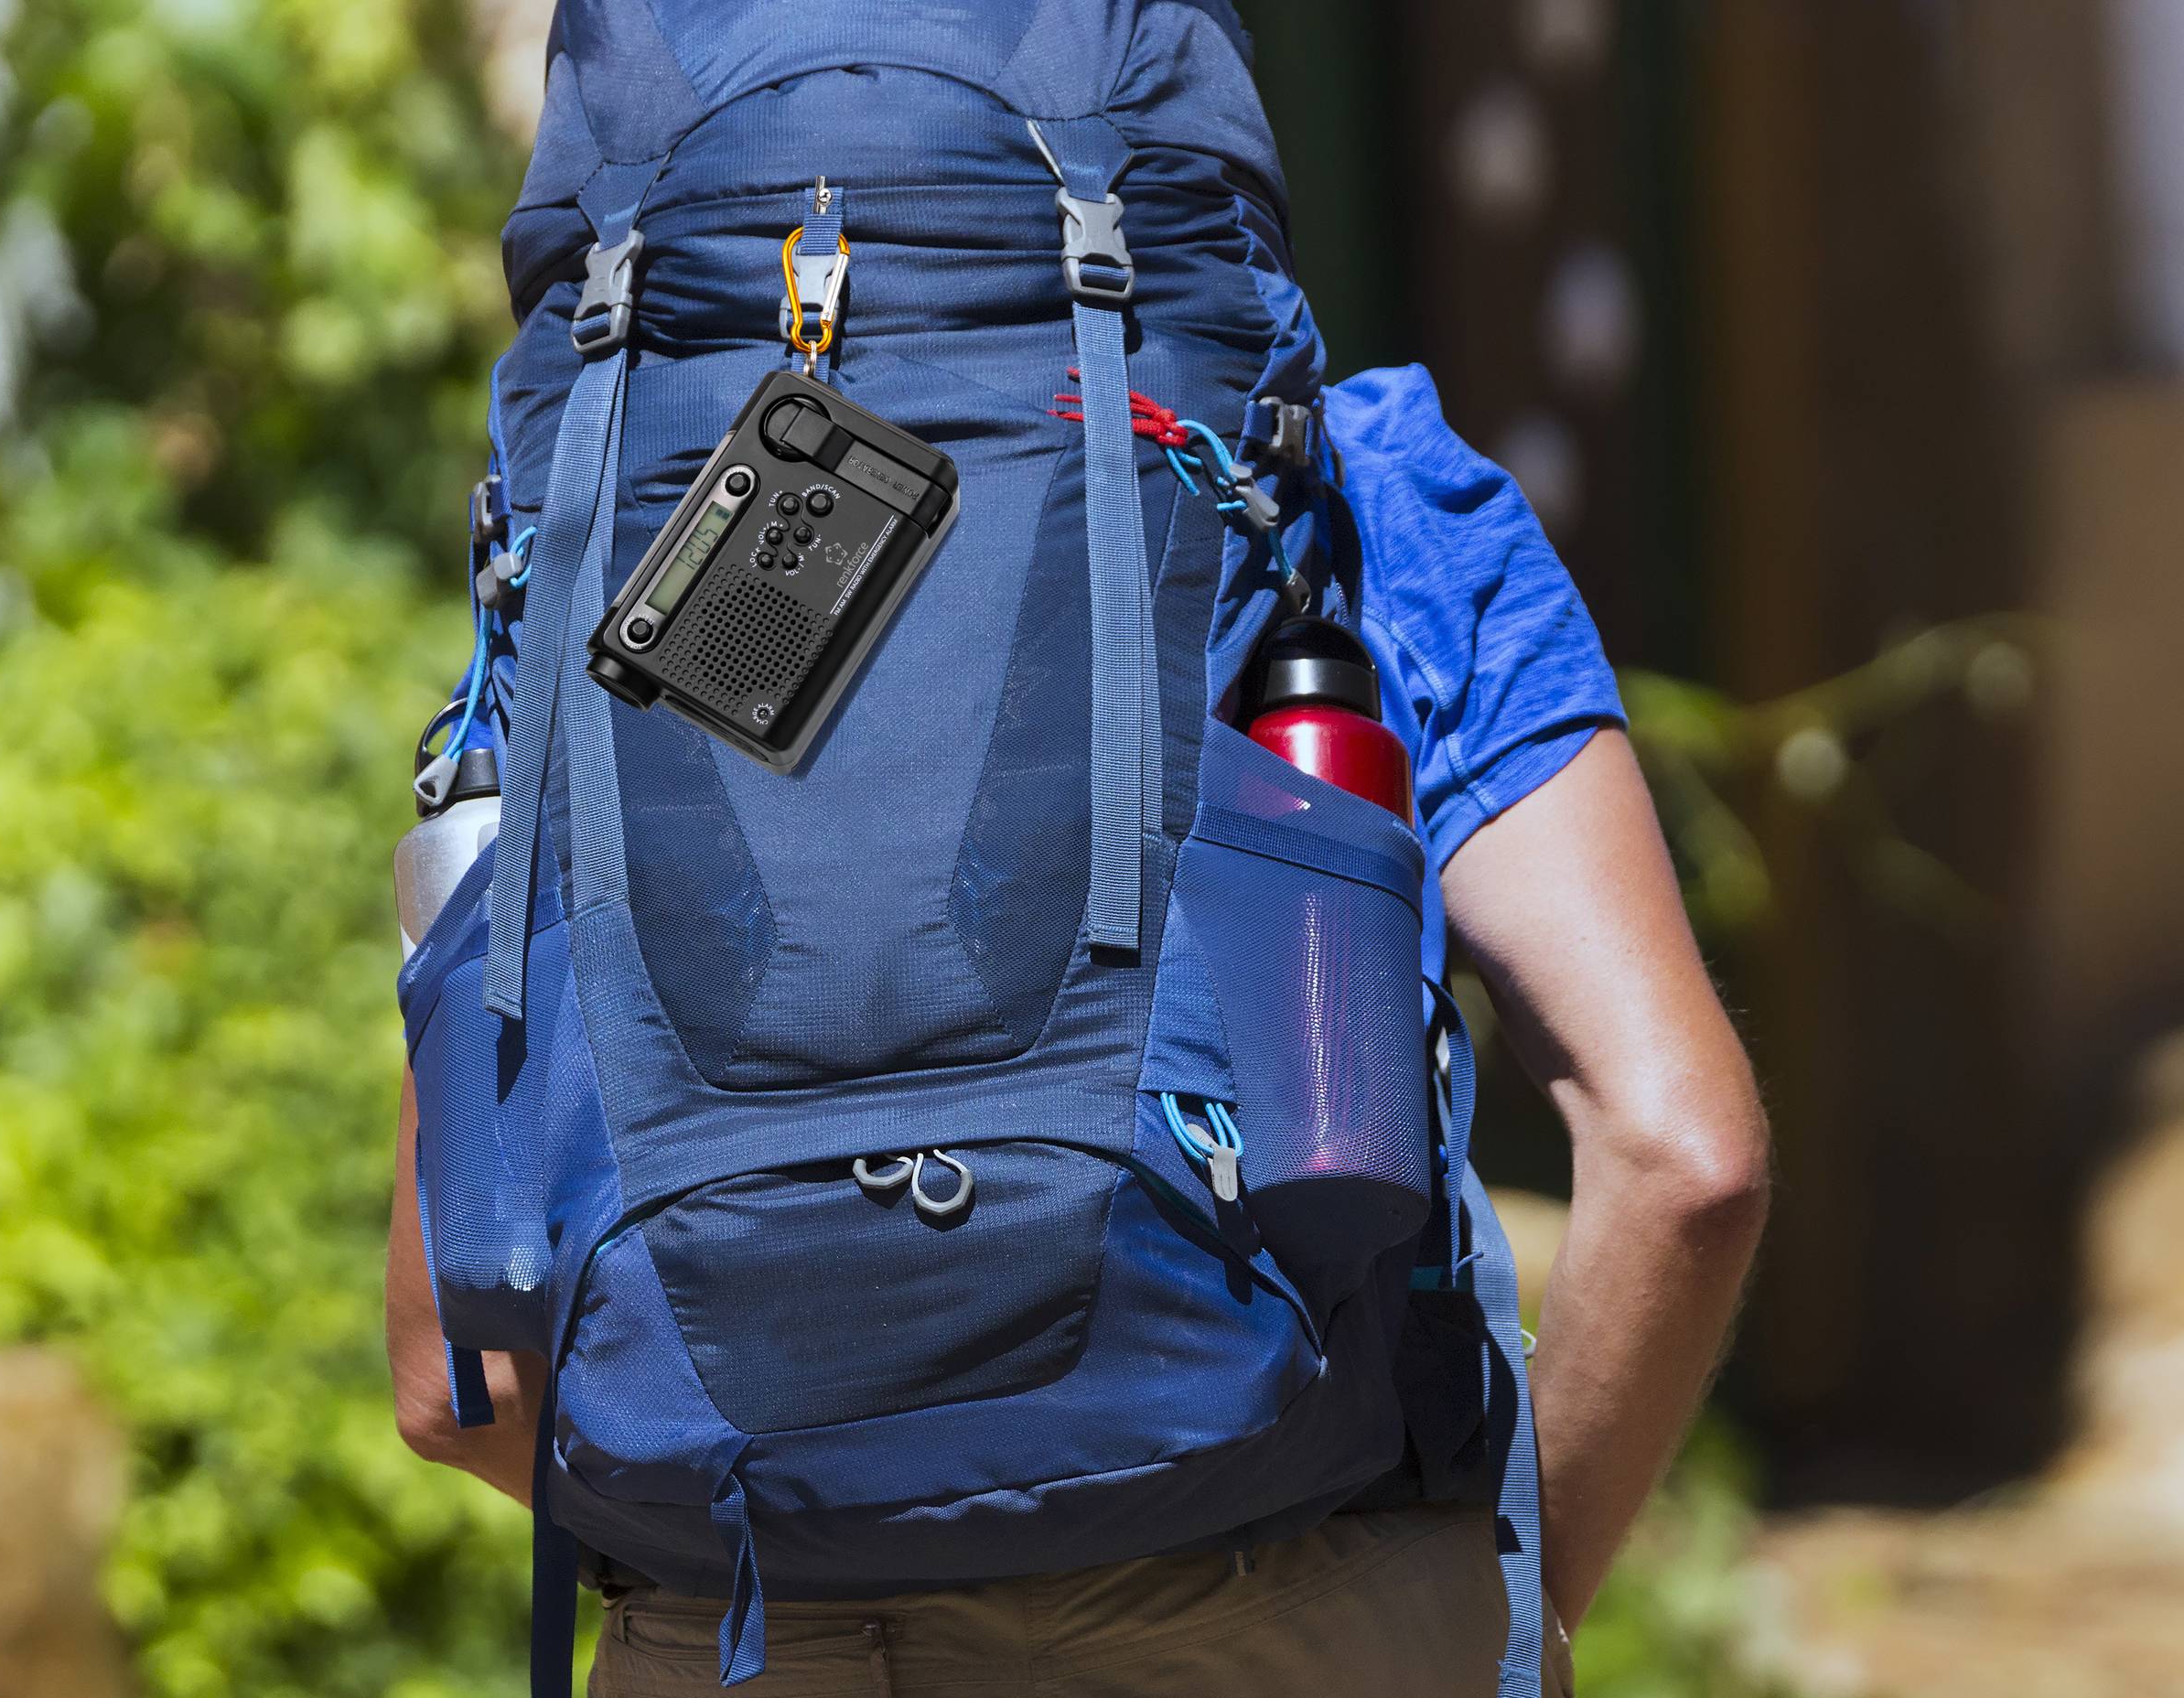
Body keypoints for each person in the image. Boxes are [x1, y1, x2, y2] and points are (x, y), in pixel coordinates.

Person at [386, 376, 1770, 1698]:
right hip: (1305, 1611)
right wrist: (1489, 1616)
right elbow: (1684, 1160)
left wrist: (804, 1533)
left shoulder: (625, 523)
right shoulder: (1343, 484)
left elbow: (453, 1381)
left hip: (756, 1629)